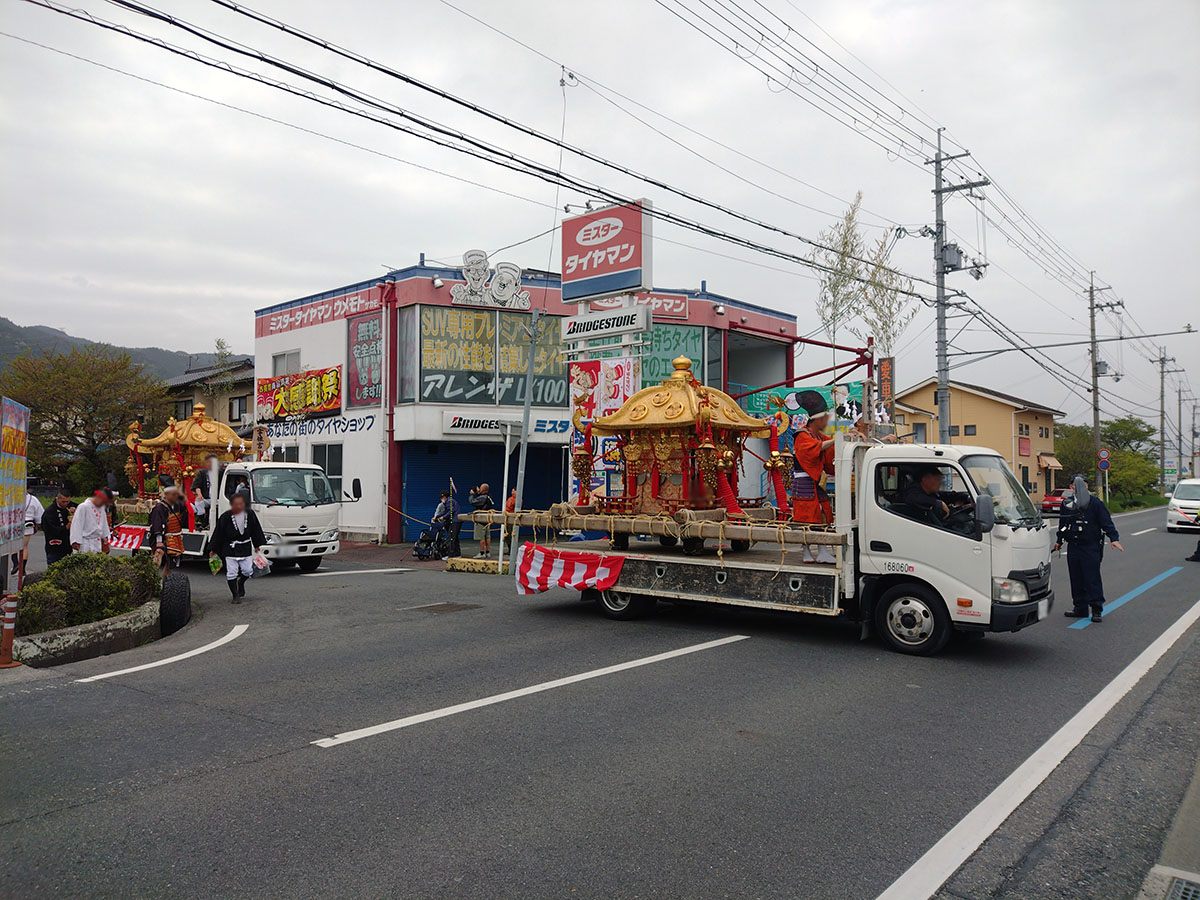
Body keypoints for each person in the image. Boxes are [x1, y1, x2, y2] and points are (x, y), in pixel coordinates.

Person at [1054, 473, 1123, 623]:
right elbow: (1063, 524)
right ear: (1071, 487)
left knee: (1092, 578)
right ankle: (1080, 608)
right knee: (1076, 578)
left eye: (1083, 483)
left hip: (1090, 546)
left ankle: (1096, 609)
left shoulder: (1095, 503)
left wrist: (1114, 538)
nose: (1079, 486)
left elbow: (1106, 522)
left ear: (1086, 486)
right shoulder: (1067, 504)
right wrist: (1059, 540)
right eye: (1075, 484)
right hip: (1074, 546)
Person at [210, 490, 266, 604]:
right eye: (236, 504)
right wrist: (213, 549)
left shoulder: (250, 514)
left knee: (248, 571)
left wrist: (257, 545)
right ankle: (235, 595)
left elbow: (256, 529)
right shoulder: (225, 517)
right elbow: (218, 534)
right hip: (230, 548)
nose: (239, 506)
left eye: (241, 504)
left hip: (245, 547)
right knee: (232, 572)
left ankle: (240, 583)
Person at [900, 465, 972, 528]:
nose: (940, 482)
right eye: (937, 479)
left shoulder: (931, 493)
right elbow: (913, 498)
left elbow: (948, 496)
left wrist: (967, 497)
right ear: (925, 479)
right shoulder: (912, 492)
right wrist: (938, 503)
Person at [148, 484, 188, 572]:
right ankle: (151, 576)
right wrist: (159, 541)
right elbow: (157, 524)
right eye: (173, 494)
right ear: (166, 495)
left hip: (175, 537)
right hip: (163, 538)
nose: (175, 496)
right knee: (159, 554)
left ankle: (167, 581)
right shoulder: (159, 508)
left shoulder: (177, 506)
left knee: (170, 563)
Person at [10, 490, 45, 576]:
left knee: (13, 546)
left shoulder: (11, 497)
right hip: (28, 524)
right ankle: (23, 569)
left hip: (14, 523)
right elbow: (40, 514)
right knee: (24, 547)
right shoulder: (33, 499)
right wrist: (38, 523)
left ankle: (15, 563)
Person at [69, 490, 111, 554]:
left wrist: (105, 537)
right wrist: (76, 541)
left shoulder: (101, 508)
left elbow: (104, 524)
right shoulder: (83, 506)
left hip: (97, 541)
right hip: (85, 542)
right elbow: (77, 525)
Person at [42, 489, 73, 567]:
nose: (65, 504)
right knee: (54, 569)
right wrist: (65, 527)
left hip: (68, 546)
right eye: (63, 501)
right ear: (57, 499)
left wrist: (76, 511)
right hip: (54, 546)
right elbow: (49, 529)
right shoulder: (50, 512)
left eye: (67, 502)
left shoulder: (70, 506)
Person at [431, 490, 461, 559]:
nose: (441, 499)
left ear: (445, 497)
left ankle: (451, 555)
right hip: (456, 521)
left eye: (442, 497)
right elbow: (446, 511)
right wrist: (437, 516)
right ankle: (457, 554)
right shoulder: (449, 502)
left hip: (454, 521)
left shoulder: (449, 501)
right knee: (454, 538)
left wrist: (443, 517)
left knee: (451, 538)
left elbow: (451, 511)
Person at [468, 483, 495, 558]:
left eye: (480, 488)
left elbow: (472, 502)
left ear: (483, 489)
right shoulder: (489, 497)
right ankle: (488, 552)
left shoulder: (483, 497)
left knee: (482, 537)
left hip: (481, 521)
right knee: (487, 537)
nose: (479, 489)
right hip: (487, 520)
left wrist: (472, 494)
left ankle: (482, 553)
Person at [192, 454, 219, 524]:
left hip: (218, 499)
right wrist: (199, 494)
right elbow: (197, 486)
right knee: (198, 502)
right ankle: (201, 519)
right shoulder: (202, 473)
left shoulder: (221, 472)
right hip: (206, 498)